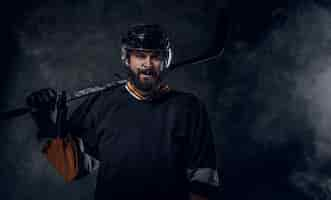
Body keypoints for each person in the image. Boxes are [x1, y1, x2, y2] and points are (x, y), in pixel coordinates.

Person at [26, 24, 220, 200]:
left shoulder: (189, 108)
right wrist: (46, 122)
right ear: (126, 59)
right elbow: (71, 169)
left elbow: (204, 176)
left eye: (155, 56)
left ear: (166, 60)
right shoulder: (101, 105)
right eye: (140, 56)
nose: (147, 64)